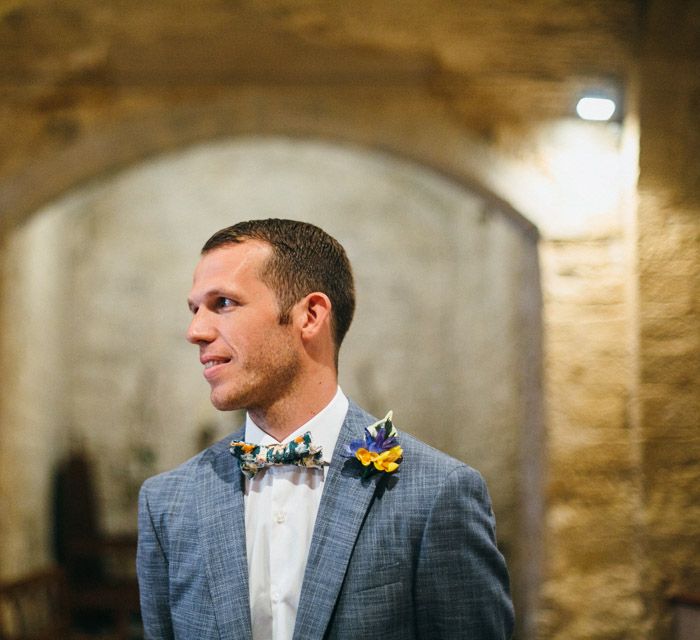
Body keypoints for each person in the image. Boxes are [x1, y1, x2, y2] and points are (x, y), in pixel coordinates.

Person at [137, 218, 514, 639]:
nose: (196, 331)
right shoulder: (167, 502)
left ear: (310, 315)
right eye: (194, 309)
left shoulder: (437, 494)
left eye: (223, 303)